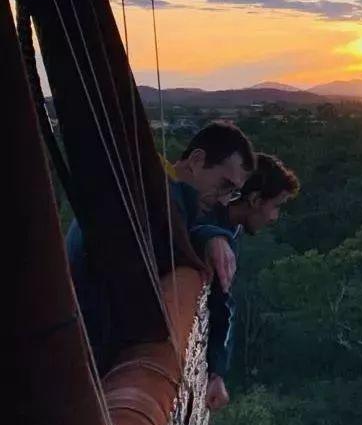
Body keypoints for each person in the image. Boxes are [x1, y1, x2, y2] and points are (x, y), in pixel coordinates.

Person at [67, 120, 255, 370]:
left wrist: (210, 236)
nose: (223, 201)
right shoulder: (155, 201)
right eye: (225, 186)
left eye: (232, 193)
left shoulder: (154, 191)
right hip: (89, 363)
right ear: (197, 160)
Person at [191, 153, 300, 410]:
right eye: (275, 206)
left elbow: (222, 302)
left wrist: (216, 372)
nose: (274, 217)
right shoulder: (205, 216)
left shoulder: (230, 229)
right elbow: (177, 231)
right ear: (254, 199)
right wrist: (210, 236)